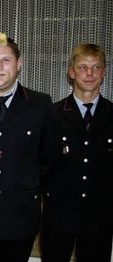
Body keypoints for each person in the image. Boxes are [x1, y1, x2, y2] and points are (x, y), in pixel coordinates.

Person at [0, 33, 59, 262]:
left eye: (5, 60)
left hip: (19, 217)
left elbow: (50, 159)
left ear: (19, 63)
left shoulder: (40, 104)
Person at [42, 44, 113, 262]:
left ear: (104, 72)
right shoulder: (52, 114)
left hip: (99, 217)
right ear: (71, 72)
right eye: (83, 67)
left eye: (95, 67)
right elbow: (42, 164)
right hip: (59, 216)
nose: (89, 74)